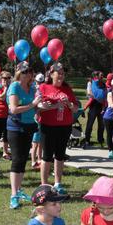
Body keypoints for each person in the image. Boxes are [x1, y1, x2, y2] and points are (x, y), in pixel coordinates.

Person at [36, 62, 78, 194]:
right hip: (48, 126)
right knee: (47, 156)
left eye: (62, 73)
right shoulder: (43, 87)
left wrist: (69, 105)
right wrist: (51, 106)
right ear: (51, 74)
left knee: (60, 156)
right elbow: (37, 106)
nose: (60, 75)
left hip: (64, 126)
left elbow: (76, 107)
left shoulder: (67, 89)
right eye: (58, 73)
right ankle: (44, 185)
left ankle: (58, 183)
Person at [7, 62, 39, 209]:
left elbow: (37, 105)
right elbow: (13, 109)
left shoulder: (32, 88)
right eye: (25, 71)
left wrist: (40, 108)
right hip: (15, 127)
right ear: (19, 72)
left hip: (29, 127)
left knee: (23, 160)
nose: (29, 74)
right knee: (17, 159)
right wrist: (33, 104)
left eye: (30, 71)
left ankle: (18, 190)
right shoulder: (14, 87)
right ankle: (14, 195)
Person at [83, 71, 106, 149]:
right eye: (100, 75)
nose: (101, 77)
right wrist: (97, 98)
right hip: (93, 105)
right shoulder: (90, 83)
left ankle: (100, 140)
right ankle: (87, 140)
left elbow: (105, 94)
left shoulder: (103, 84)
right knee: (90, 124)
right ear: (95, 76)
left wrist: (102, 102)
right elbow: (89, 93)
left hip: (101, 106)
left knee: (101, 124)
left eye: (102, 75)